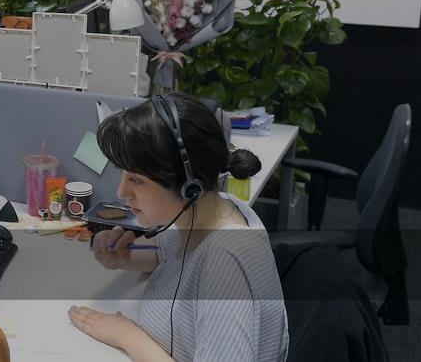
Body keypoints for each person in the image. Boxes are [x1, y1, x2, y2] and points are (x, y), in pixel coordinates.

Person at [68, 92, 288, 362]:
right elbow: (171, 254)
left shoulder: (223, 265)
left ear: (188, 186)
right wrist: (124, 257)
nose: (121, 192)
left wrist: (128, 336)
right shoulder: (214, 207)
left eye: (136, 180)